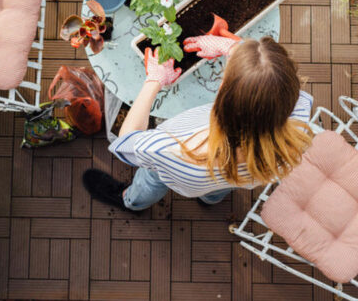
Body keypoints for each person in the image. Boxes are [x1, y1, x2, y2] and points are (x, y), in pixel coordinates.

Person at [83, 17, 314, 211]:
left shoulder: (176, 148)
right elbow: (268, 85)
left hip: (182, 174)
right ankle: (210, 200)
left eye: (227, 74)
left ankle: (131, 202)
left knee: (152, 179)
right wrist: (231, 48)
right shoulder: (298, 117)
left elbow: (127, 141)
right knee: (221, 186)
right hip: (242, 173)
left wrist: (154, 80)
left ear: (225, 95)